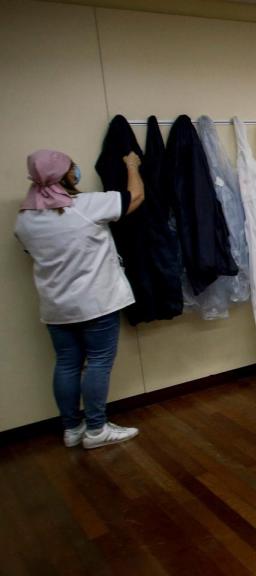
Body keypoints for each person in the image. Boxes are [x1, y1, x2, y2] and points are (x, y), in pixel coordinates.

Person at [15, 149, 144, 449]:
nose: (77, 171)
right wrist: (132, 166)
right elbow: (134, 198)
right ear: (66, 175)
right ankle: (97, 430)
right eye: (73, 167)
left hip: (56, 306)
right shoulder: (85, 205)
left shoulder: (24, 219)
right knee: (98, 362)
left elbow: (31, 252)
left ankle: (72, 429)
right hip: (95, 302)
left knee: (67, 364)